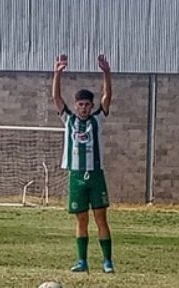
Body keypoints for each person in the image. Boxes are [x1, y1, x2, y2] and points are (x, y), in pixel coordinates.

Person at [52, 53, 115, 274]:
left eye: (88, 104)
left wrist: (106, 73)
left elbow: (107, 97)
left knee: (100, 218)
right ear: (76, 105)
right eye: (81, 104)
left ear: (92, 106)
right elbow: (56, 99)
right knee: (81, 220)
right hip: (76, 175)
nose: (84, 108)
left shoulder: (98, 118)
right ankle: (82, 261)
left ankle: (107, 261)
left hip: (95, 174)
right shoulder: (68, 118)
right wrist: (57, 73)